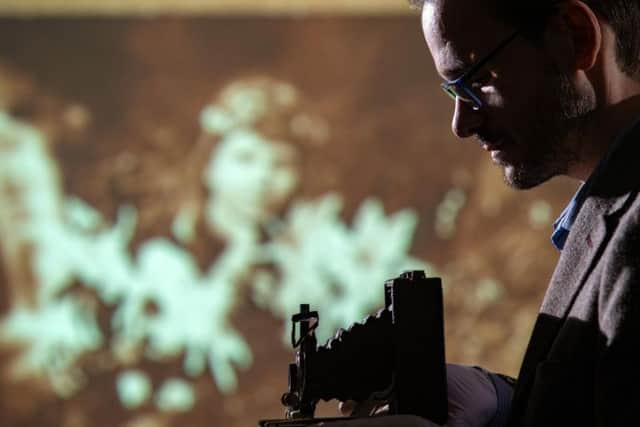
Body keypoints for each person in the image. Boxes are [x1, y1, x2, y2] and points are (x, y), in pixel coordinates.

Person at [318, 0, 640, 426]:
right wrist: (502, 403)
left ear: (575, 36)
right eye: (454, 91)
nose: (461, 123)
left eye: (479, 80)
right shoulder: (612, 209)